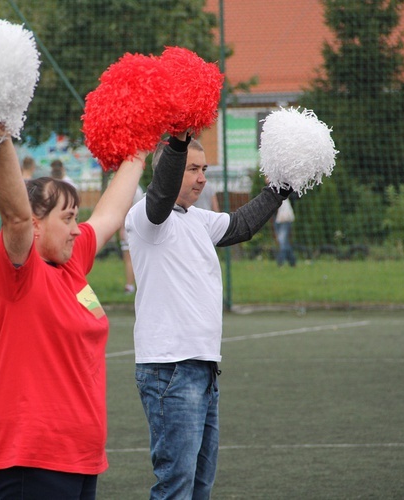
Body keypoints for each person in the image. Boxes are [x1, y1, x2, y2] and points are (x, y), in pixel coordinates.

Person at [0, 122, 146, 499]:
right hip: (33, 454)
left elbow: (111, 214)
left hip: (81, 455)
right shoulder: (15, 271)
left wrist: (142, 144)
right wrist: (2, 137)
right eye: (67, 218)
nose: (75, 229)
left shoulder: (69, 264)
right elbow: (15, 217)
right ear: (35, 226)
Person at [125, 133, 292, 499]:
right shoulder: (149, 219)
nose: (202, 178)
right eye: (192, 169)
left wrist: (280, 188)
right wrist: (178, 143)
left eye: (205, 170)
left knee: (200, 485)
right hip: (170, 370)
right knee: (176, 486)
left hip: (202, 369)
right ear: (169, 171)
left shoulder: (197, 219)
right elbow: (161, 193)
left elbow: (241, 225)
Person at [119, 184, 144, 294]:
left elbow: (125, 209)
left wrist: (121, 228)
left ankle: (129, 285)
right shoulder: (138, 189)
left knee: (128, 259)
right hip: (137, 226)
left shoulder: (130, 189)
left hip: (128, 227)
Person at [274, 197, 297, 267]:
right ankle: (292, 262)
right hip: (278, 219)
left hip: (284, 219)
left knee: (282, 242)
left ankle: (280, 262)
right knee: (284, 242)